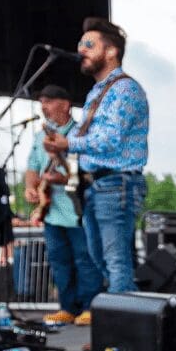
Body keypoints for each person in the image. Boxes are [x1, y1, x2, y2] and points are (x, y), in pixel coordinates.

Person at [44, 17, 148, 293]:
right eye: (80, 44)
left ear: (111, 51)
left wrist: (69, 143)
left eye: (89, 44)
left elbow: (110, 140)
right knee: (100, 258)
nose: (81, 49)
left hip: (116, 184)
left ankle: (122, 331)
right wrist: (59, 139)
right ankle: (130, 317)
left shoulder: (125, 89)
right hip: (96, 185)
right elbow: (85, 136)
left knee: (116, 262)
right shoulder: (97, 92)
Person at [24, 85, 102, 324]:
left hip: (78, 208)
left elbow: (89, 173)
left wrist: (61, 177)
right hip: (52, 211)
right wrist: (31, 187)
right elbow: (32, 167)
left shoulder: (81, 133)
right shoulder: (40, 136)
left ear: (65, 104)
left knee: (84, 258)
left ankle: (90, 306)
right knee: (58, 260)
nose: (44, 107)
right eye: (41, 103)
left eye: (48, 102)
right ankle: (67, 307)